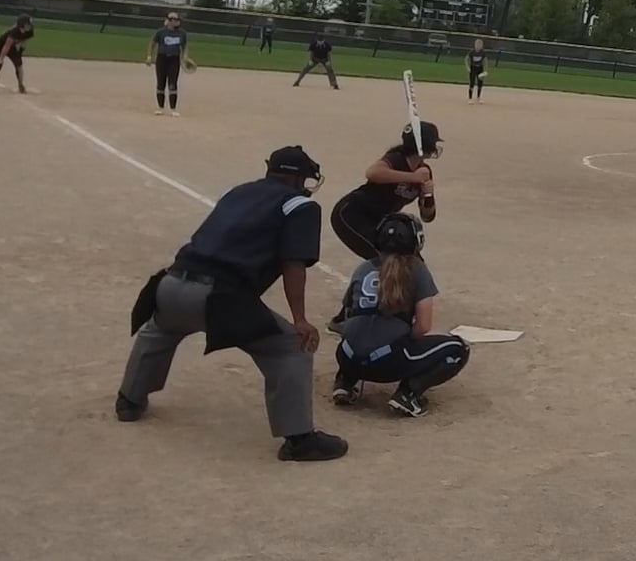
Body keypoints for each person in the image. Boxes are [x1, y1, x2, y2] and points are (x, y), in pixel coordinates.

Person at [115, 146, 349, 462]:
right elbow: (293, 264)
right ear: (299, 178)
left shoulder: (237, 192)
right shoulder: (299, 205)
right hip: (218, 298)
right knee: (290, 347)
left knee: (159, 330)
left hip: (169, 284)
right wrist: (300, 319)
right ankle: (300, 440)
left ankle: (128, 400)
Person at [332, 212, 471, 418]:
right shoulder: (417, 270)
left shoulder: (363, 268)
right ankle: (408, 395)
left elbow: (346, 317)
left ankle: (344, 381)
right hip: (387, 364)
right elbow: (423, 327)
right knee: (458, 349)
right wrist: (401, 338)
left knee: (360, 336)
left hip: (346, 357)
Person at [328, 123, 442, 327]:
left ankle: (402, 310)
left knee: (412, 261)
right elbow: (373, 173)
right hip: (352, 214)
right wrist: (412, 177)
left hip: (381, 222)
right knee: (384, 260)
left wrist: (428, 194)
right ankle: (344, 317)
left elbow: (428, 216)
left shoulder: (424, 171)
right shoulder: (396, 159)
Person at [145, 11, 197, 116]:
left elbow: (185, 45)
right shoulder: (161, 32)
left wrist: (185, 56)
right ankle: (160, 107)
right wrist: (149, 56)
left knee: (173, 83)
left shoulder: (182, 33)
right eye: (175, 20)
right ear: (170, 21)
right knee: (161, 82)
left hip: (174, 59)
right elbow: (153, 43)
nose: (178, 22)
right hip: (162, 58)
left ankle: (173, 109)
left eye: (178, 20)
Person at [0, 14, 34, 95]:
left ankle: (20, 85)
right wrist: (1, 58)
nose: (30, 26)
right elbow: (6, 45)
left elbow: (24, 41)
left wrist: (20, 52)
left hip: (12, 47)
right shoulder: (14, 31)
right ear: (22, 25)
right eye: (27, 24)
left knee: (19, 65)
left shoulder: (30, 31)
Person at [465, 38, 488, 102]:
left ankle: (478, 98)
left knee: (480, 83)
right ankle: (470, 98)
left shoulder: (483, 52)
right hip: (473, 68)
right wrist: (467, 67)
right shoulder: (472, 52)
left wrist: (485, 70)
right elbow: (466, 59)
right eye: (477, 45)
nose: (478, 46)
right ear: (475, 45)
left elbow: (485, 60)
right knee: (472, 83)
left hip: (480, 68)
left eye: (480, 45)